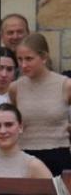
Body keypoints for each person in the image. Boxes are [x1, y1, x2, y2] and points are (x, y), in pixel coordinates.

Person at [9, 33, 71, 177]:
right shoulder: (15, 88)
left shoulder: (65, 85)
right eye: (20, 59)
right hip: (26, 157)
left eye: (29, 59)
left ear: (44, 57)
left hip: (59, 155)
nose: (23, 65)